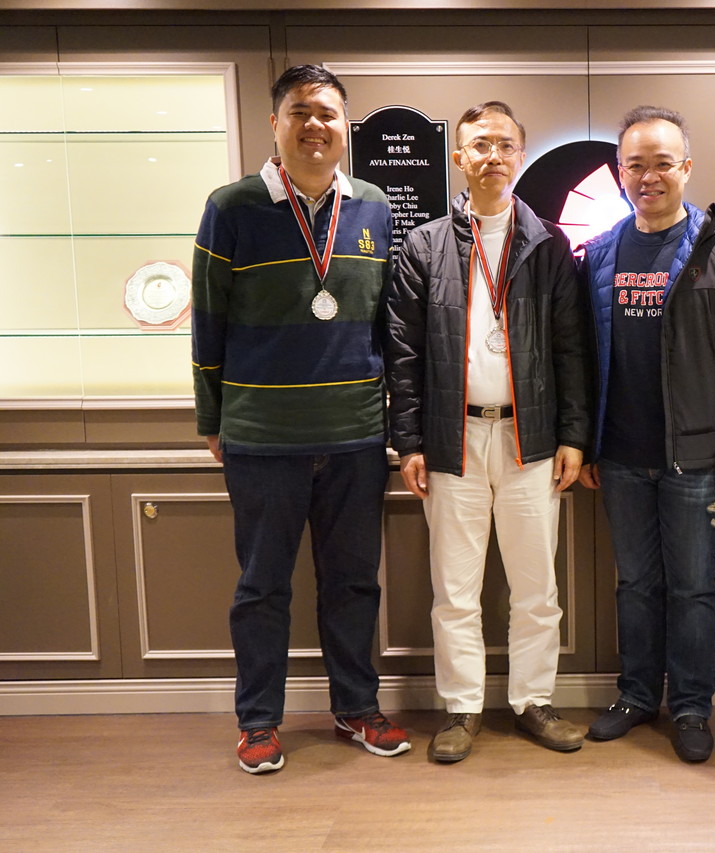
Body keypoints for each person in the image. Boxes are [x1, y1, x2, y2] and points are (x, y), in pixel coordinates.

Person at [192, 65, 410, 774]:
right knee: (262, 587)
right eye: (299, 111)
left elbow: (387, 326)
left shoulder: (374, 206)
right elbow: (208, 321)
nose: (314, 124)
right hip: (263, 436)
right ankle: (257, 721)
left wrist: (395, 423)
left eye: (327, 112)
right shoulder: (232, 206)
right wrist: (212, 418)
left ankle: (357, 708)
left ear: (345, 126)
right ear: (276, 123)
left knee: (354, 583)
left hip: (356, 435)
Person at [385, 101, 590, 763]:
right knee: (455, 589)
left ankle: (533, 700)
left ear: (520, 156)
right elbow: (404, 355)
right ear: (459, 157)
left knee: (536, 587)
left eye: (504, 144)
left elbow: (571, 349)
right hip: (453, 440)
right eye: (480, 145)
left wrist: (573, 435)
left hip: (531, 439)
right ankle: (462, 707)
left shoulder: (548, 244)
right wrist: (409, 442)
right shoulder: (424, 245)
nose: (493, 156)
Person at [578, 106, 715, 762]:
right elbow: (583, 356)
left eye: (663, 163)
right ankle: (636, 694)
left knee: (692, 588)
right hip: (619, 457)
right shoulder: (600, 253)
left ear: (687, 167)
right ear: (619, 172)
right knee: (635, 584)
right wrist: (588, 442)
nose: (649, 176)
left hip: (696, 458)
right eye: (636, 164)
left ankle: (690, 705)